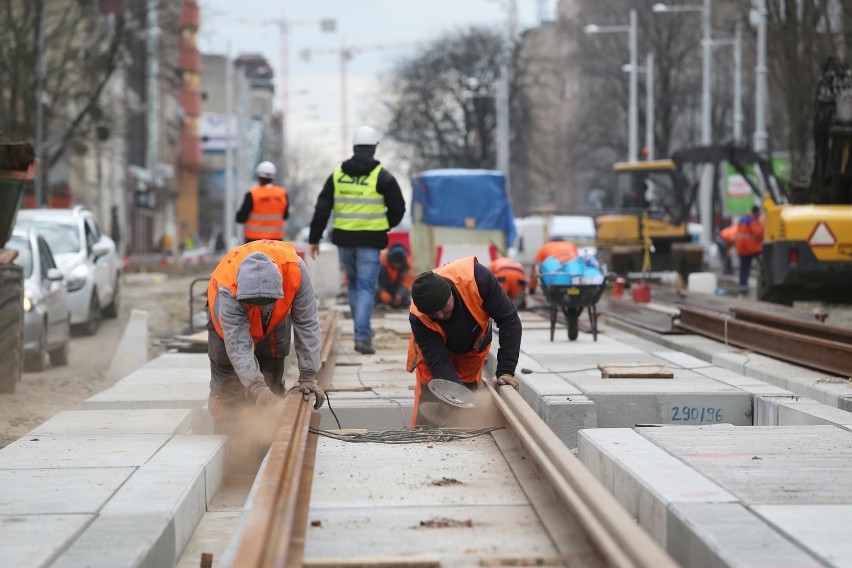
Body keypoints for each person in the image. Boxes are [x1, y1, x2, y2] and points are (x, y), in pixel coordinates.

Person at [206, 239, 326, 439]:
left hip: (274, 323)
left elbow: (307, 323)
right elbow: (238, 346)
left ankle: (269, 441)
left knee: (272, 387)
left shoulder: (295, 270)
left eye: (266, 302)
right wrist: (257, 387)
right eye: (255, 303)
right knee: (229, 391)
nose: (261, 308)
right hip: (226, 330)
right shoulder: (228, 287)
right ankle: (230, 447)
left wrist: (308, 375)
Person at [308, 125, 406, 355]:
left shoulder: (338, 174)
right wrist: (385, 224)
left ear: (354, 147)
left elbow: (323, 206)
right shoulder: (381, 176)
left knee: (354, 285)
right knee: (365, 288)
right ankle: (362, 336)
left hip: (344, 241)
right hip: (370, 241)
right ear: (374, 148)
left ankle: (362, 330)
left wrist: (314, 238)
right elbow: (399, 207)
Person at [406, 256, 523, 427]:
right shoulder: (418, 316)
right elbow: (439, 361)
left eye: (444, 309)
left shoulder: (478, 279)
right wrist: (455, 400)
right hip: (435, 357)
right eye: (434, 315)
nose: (440, 316)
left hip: (470, 350)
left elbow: (509, 320)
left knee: (469, 405)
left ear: (450, 294)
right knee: (431, 402)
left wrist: (505, 370)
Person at [236, 161, 289, 243]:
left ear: (259, 177)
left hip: (253, 241)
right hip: (275, 241)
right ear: (273, 177)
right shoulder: (282, 194)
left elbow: (241, 218)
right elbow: (285, 216)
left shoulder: (252, 194)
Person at [734, 205, 764, 296]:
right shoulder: (752, 220)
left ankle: (743, 289)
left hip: (742, 248)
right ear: (756, 213)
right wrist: (763, 224)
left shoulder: (743, 219)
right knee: (762, 266)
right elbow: (758, 233)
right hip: (751, 248)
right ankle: (760, 287)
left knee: (744, 269)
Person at [376, 243, 414, 309]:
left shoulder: (408, 264)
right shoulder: (381, 260)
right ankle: (379, 303)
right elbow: (372, 280)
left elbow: (406, 283)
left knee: (405, 300)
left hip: (396, 287)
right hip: (382, 286)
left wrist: (399, 294)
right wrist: (381, 292)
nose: (397, 267)